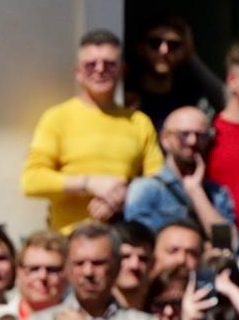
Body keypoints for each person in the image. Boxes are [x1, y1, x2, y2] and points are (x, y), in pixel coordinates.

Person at [20, 31, 157, 232]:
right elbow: (32, 182)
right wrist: (89, 184)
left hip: (125, 246)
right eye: (91, 64)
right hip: (69, 245)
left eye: (109, 64)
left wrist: (122, 195)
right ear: (78, 72)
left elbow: (159, 185)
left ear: (122, 70)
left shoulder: (139, 122)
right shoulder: (57, 118)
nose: (100, 70)